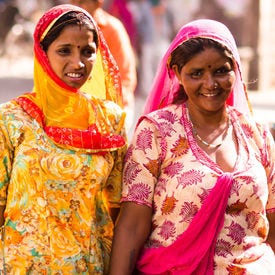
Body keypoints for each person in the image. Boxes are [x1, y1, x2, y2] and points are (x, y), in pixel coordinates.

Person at [109, 19, 275, 274]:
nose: (210, 84)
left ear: (235, 70)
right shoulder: (157, 132)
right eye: (197, 73)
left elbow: (272, 224)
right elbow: (132, 226)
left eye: (221, 71)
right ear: (177, 72)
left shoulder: (257, 135)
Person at [0, 4, 127, 274]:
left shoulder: (110, 120)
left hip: (89, 267)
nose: (78, 63)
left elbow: (116, 209)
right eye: (64, 50)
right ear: (42, 53)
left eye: (88, 51)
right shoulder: (13, 118)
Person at [69, 0, 137, 134]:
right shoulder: (65, 29)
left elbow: (125, 77)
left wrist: (109, 110)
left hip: (111, 106)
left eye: (84, 3)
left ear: (97, 4)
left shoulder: (112, 29)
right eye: (76, 2)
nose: (80, 7)